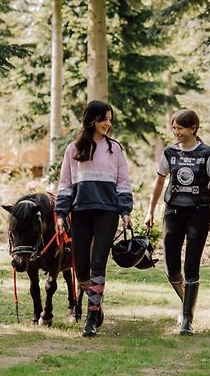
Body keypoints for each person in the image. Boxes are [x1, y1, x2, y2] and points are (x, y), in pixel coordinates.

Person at [55, 100, 133, 337]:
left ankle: (90, 317)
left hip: (107, 211)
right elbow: (65, 185)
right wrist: (60, 214)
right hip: (80, 211)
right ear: (91, 119)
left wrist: (126, 210)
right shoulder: (73, 149)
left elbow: (123, 182)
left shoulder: (114, 149)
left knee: (98, 262)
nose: (108, 124)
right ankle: (96, 303)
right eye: (104, 119)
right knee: (81, 267)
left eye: (110, 120)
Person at [144, 109, 210, 335]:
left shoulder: (207, 153)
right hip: (173, 212)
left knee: (192, 266)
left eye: (180, 128)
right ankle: (188, 301)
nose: (176, 132)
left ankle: (187, 320)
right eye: (174, 128)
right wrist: (150, 211)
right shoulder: (169, 152)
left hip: (198, 213)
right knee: (171, 268)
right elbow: (159, 183)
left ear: (193, 128)